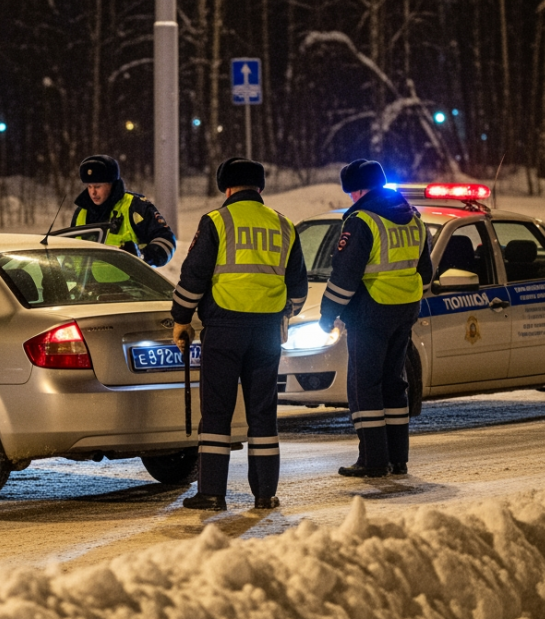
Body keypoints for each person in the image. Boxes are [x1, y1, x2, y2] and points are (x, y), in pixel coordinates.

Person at [171, 158, 308, 511]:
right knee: (263, 413)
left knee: (217, 413)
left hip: (224, 330)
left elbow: (193, 277)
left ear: (227, 187)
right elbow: (298, 290)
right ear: (259, 187)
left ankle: (213, 493)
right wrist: (282, 313)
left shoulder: (217, 221)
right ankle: (265, 494)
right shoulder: (284, 225)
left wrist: (181, 318)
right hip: (266, 333)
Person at [318, 159, 433, 478]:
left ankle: (373, 460)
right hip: (404, 311)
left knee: (364, 385)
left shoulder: (362, 220)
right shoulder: (413, 218)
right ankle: (398, 459)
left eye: (351, 192)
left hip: (370, 312)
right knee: (394, 384)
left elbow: (344, 277)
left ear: (358, 190)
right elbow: (426, 273)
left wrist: (328, 314)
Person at [70, 155, 176, 267]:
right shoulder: (80, 213)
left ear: (112, 184)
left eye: (97, 186)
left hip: (128, 284)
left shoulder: (135, 207)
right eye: (89, 187)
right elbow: (69, 255)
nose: (93, 192)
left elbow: (167, 241)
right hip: (85, 284)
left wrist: (142, 257)